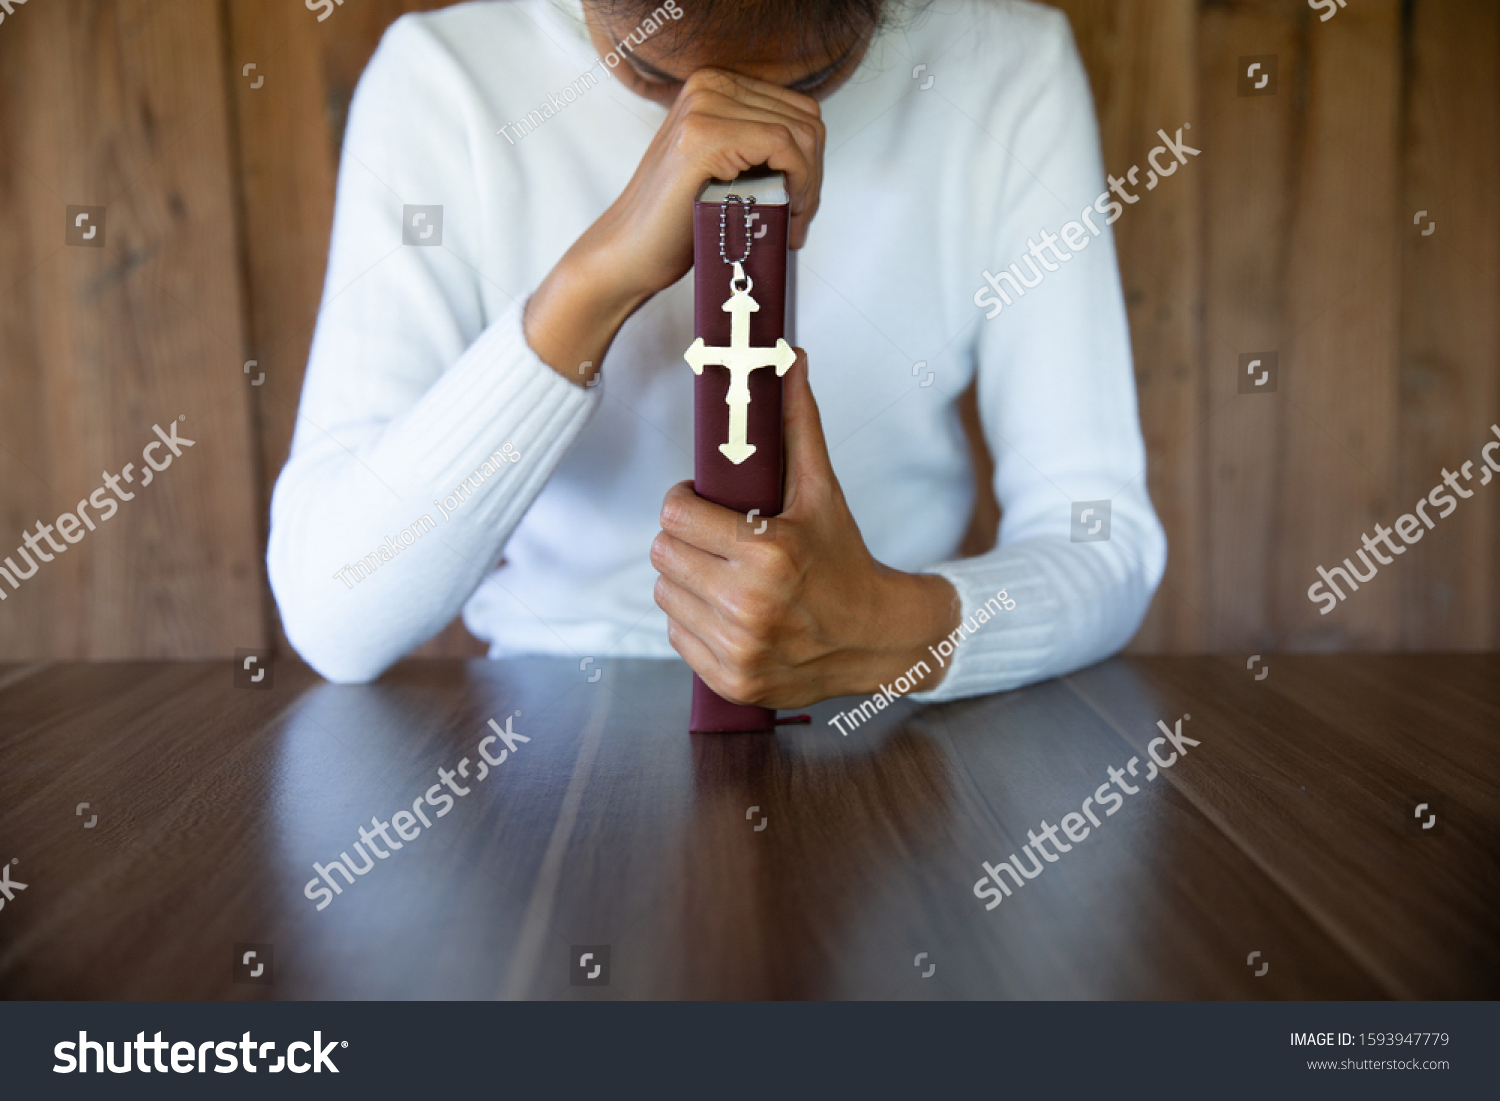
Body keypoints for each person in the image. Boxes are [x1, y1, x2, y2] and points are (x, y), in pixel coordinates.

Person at [267, 0, 1166, 708]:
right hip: (547, 730)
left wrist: (891, 630)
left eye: (816, 75)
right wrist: (592, 284)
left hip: (891, 717)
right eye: (651, 70)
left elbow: (1101, 533)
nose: (723, 120)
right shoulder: (444, 82)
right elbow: (334, 611)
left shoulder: (1007, 66)